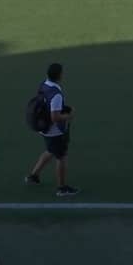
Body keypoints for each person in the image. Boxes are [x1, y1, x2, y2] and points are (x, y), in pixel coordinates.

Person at [24, 63, 79, 198]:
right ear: (59, 75)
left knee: (50, 150)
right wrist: (69, 115)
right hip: (55, 131)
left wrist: (63, 108)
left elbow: (47, 103)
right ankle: (61, 188)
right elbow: (55, 117)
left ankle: (33, 176)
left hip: (45, 129)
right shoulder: (56, 94)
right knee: (61, 157)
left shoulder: (44, 84)